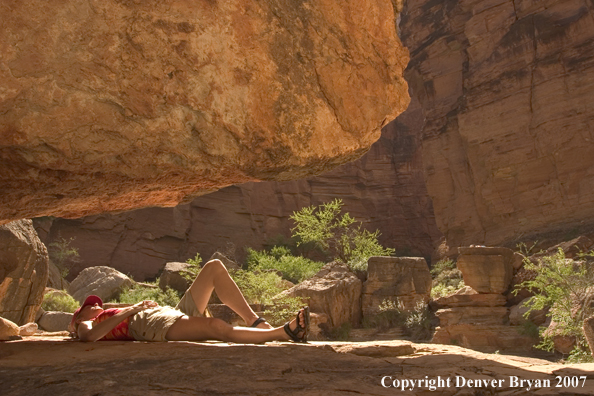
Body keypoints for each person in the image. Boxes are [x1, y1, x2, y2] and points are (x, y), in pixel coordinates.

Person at [69, 259, 309, 344]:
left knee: (214, 267)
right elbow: (89, 338)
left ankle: (255, 321)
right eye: (91, 305)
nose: (98, 306)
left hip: (166, 313)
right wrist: (130, 309)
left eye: (98, 304)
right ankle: (281, 333)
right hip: (149, 326)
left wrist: (135, 307)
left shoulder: (104, 314)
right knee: (215, 327)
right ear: (79, 316)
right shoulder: (84, 325)